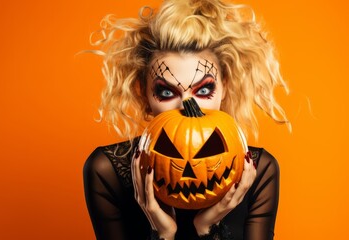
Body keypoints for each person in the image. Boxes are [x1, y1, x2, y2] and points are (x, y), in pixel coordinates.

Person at [83, 0, 289, 239]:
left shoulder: (260, 170)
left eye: (203, 91)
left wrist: (208, 229)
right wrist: (163, 234)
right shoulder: (106, 171)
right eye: (167, 92)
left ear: (224, 90)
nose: (187, 106)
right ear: (145, 96)